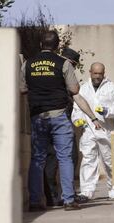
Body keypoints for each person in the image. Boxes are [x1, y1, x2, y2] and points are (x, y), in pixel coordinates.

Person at [20, 31, 102, 211]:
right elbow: (74, 89)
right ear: (57, 47)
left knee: (37, 159)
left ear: (41, 44)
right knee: (65, 158)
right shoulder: (63, 63)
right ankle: (68, 200)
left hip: (37, 117)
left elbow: (22, 89)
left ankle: (35, 202)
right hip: (59, 115)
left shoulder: (27, 64)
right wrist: (93, 117)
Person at [71, 62, 114, 202]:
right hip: (88, 131)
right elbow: (77, 108)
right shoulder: (83, 89)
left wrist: (109, 111)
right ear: (90, 72)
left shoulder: (111, 88)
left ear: (104, 73)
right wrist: (78, 120)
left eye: (100, 73)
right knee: (88, 160)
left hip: (107, 130)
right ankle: (86, 192)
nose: (97, 76)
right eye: (95, 73)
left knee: (111, 162)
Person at [43, 47, 81, 207]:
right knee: (69, 157)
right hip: (60, 119)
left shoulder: (47, 69)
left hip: (42, 118)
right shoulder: (63, 69)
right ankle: (68, 196)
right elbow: (74, 91)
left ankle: (53, 196)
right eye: (72, 64)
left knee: (49, 159)